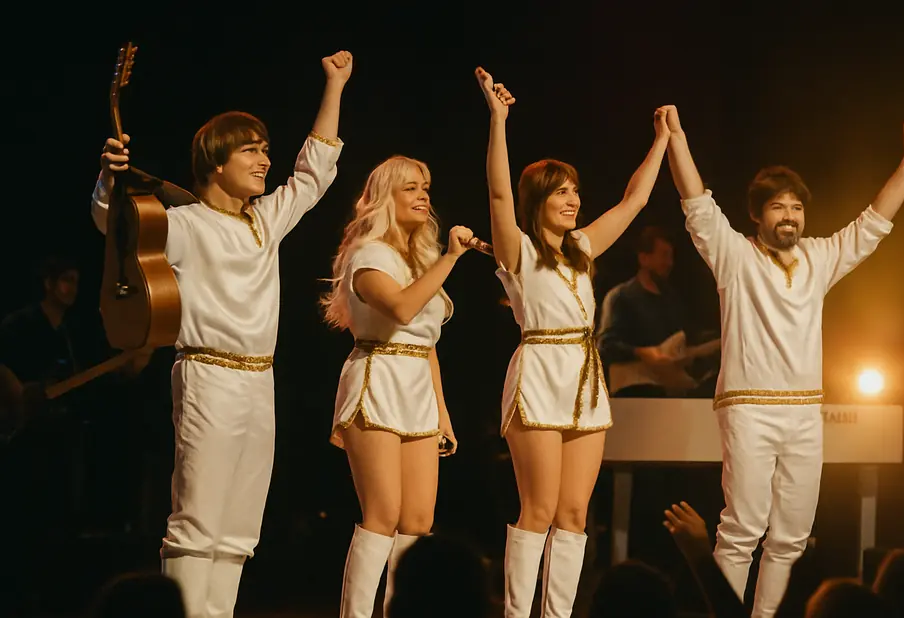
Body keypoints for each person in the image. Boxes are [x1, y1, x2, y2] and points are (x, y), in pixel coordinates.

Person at [92, 49, 354, 618]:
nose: (265, 159)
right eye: (251, 150)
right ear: (214, 162)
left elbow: (314, 172)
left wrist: (333, 85)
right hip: (207, 374)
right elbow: (112, 222)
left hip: (259, 383)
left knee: (239, 526)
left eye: (265, 148)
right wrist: (108, 177)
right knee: (198, 520)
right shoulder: (182, 224)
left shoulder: (264, 221)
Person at [663, 106, 904, 617]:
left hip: (805, 413)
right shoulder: (735, 255)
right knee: (742, 528)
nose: (789, 215)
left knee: (791, 535)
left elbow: (873, 224)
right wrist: (677, 138)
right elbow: (697, 204)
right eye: (777, 207)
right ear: (756, 214)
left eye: (796, 207)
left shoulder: (818, 257)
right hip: (748, 408)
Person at [475, 66, 671, 618]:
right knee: (536, 509)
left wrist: (660, 142)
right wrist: (498, 120)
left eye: (575, 191)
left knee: (575, 514)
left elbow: (632, 203)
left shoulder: (583, 247)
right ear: (538, 198)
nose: (573, 199)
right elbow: (496, 191)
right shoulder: (516, 250)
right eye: (561, 191)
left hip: (585, 380)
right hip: (539, 372)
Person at [321, 156, 477, 617]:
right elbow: (403, 310)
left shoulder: (422, 257)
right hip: (377, 379)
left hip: (417, 389)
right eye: (410, 188)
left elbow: (426, 343)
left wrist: (442, 413)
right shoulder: (369, 255)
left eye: (426, 186)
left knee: (418, 521)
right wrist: (451, 256)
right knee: (383, 515)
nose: (424, 195)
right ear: (386, 197)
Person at [597, 226, 718, 397]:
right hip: (633, 395)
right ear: (644, 258)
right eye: (664, 256)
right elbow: (604, 345)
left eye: (671, 257)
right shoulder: (621, 297)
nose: (670, 263)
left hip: (668, 393)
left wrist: (718, 341)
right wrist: (641, 353)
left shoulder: (671, 299)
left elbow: (685, 337)